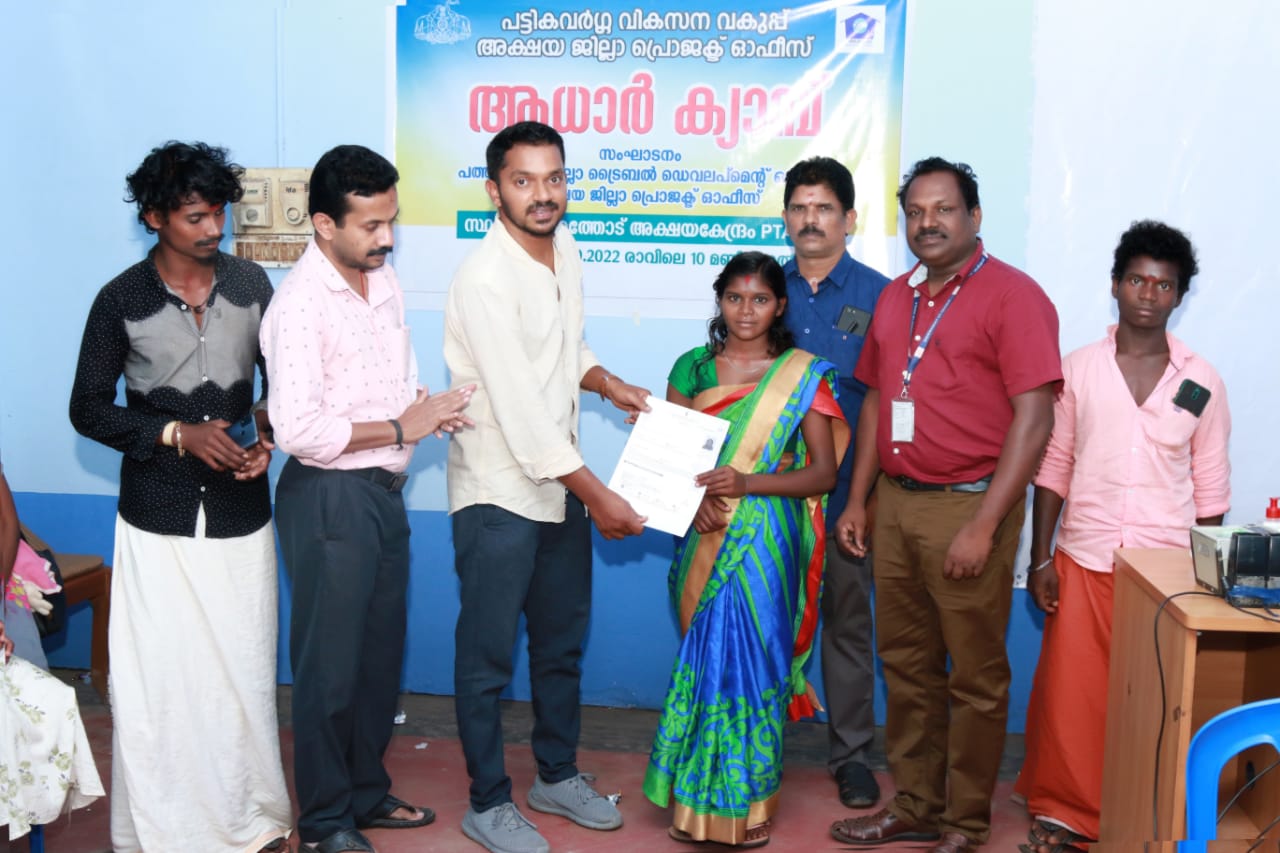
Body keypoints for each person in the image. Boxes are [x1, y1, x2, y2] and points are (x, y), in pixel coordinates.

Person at [828, 157, 1062, 853]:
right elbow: (877, 399)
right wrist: (860, 498)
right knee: (906, 668)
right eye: (915, 212)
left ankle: (965, 823)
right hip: (896, 505)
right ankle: (917, 806)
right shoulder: (896, 298)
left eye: (944, 209)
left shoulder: (1014, 296)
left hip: (969, 507)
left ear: (975, 217)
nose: (927, 223)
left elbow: (1035, 420)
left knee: (975, 678)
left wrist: (986, 524)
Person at [68, 141, 292, 853]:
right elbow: (86, 409)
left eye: (219, 213)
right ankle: (165, 830)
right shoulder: (120, 299)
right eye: (196, 216)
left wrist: (265, 439)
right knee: (160, 682)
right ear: (154, 217)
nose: (212, 228)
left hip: (241, 515)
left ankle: (250, 819)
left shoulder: (253, 285)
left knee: (241, 673)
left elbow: (284, 388)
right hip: (154, 517)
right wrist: (174, 433)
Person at [444, 120, 649, 853]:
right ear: (494, 189)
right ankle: (487, 801)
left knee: (560, 645)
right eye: (524, 180)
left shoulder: (565, 249)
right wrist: (600, 496)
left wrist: (608, 383)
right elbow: (524, 416)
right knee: (487, 660)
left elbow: (567, 349)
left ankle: (556, 775)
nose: (543, 194)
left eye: (554, 178)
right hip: (499, 493)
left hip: (558, 489)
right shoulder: (484, 279)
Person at [261, 144, 472, 853]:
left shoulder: (381, 280)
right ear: (324, 224)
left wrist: (426, 410)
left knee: (378, 658)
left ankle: (363, 793)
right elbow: (299, 430)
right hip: (329, 497)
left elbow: (386, 384)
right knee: (329, 668)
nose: (387, 237)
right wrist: (402, 426)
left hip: (382, 491)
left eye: (391, 220)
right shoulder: (298, 306)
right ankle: (324, 822)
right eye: (371, 225)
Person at [1016, 221, 1230, 853]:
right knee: (1073, 698)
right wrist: (1040, 559)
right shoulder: (1079, 369)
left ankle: (1143, 812)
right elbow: (1054, 466)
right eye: (1137, 280)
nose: (1148, 294)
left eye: (1163, 285)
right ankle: (1067, 815)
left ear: (1179, 295)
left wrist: (1204, 580)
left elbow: (1211, 486)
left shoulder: (1201, 380)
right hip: (1083, 558)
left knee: (1155, 700)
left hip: (1165, 571)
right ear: (1115, 285)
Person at [643, 251, 848, 848]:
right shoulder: (692, 368)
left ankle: (749, 800)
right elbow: (668, 457)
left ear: (780, 305)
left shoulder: (801, 375)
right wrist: (692, 505)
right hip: (703, 530)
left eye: (760, 299)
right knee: (705, 663)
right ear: (720, 301)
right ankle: (694, 802)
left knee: (754, 662)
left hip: (766, 538)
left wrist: (746, 483)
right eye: (735, 298)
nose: (746, 311)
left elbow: (823, 473)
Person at [780, 156, 890, 808]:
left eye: (823, 208)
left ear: (849, 218)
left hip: (850, 497)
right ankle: (754, 746)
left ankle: (851, 757)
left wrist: (864, 499)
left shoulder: (882, 296)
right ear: (785, 217)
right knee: (766, 621)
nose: (810, 219)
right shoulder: (763, 288)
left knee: (847, 628)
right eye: (799, 207)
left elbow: (887, 401)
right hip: (773, 499)